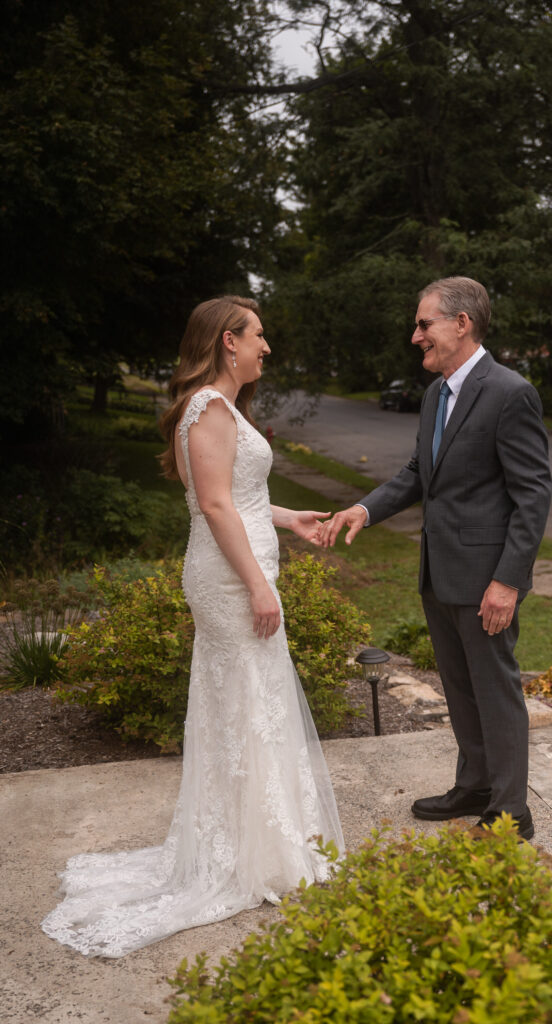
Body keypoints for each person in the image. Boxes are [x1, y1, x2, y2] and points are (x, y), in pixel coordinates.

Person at [41, 296, 344, 957]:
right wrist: (259, 585)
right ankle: (247, 853)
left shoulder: (218, 408)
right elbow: (211, 505)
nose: (267, 347)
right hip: (232, 581)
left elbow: (242, 498)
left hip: (237, 569)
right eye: (259, 336)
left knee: (247, 701)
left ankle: (257, 841)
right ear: (227, 341)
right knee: (245, 701)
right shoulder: (208, 407)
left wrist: (289, 519)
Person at [321, 277, 551, 840]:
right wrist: (364, 509)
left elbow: (533, 495)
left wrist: (507, 581)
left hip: (486, 580)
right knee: (459, 686)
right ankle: (474, 785)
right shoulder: (435, 394)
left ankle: (511, 810)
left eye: (425, 323)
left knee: (495, 690)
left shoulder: (509, 392)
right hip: (439, 573)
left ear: (461, 323)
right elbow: (419, 474)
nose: (415, 335)